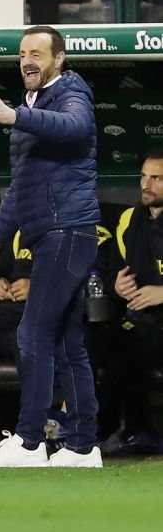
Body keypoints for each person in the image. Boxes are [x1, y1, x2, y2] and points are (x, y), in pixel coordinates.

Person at [0, 25, 102, 468]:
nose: (28, 60)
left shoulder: (70, 91)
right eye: (23, 53)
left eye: (38, 54)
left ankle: (29, 441)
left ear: (58, 59)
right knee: (66, 342)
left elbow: (76, 126)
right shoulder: (29, 104)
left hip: (68, 230)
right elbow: (20, 186)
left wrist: (15, 117)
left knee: (33, 332)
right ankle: (82, 446)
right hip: (52, 232)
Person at [96, 148, 163, 455]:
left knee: (127, 356)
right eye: (144, 177)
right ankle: (85, 431)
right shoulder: (128, 220)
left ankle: (114, 433)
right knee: (87, 343)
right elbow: (113, 273)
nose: (146, 185)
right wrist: (117, 286)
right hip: (136, 321)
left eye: (157, 178)